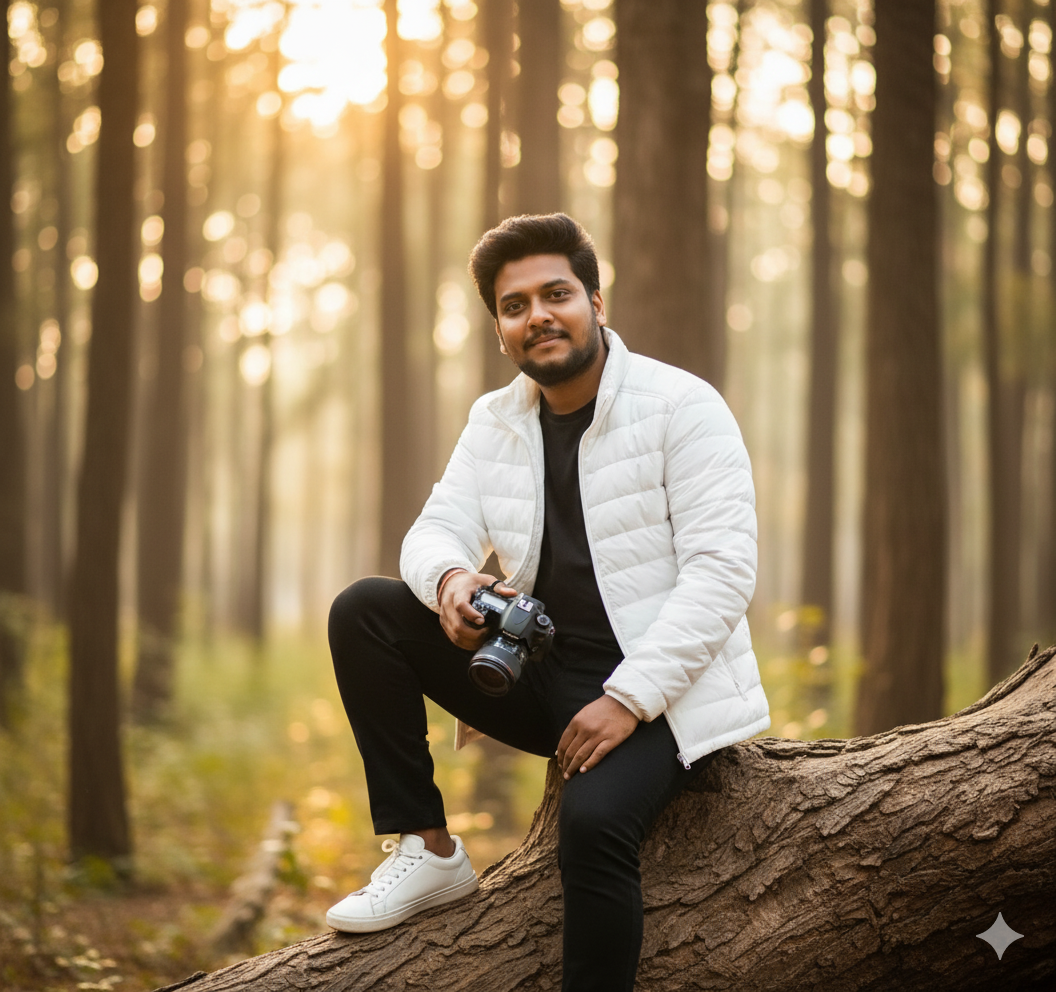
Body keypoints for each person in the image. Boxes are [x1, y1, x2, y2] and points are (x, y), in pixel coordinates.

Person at [326, 213, 769, 991]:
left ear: (596, 302)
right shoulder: (496, 421)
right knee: (365, 609)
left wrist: (628, 701)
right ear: (500, 328)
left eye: (556, 293)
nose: (538, 315)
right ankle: (428, 849)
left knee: (591, 828)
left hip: (664, 696)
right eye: (514, 304)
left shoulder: (681, 407)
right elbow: (435, 530)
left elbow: (723, 573)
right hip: (538, 676)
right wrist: (453, 584)